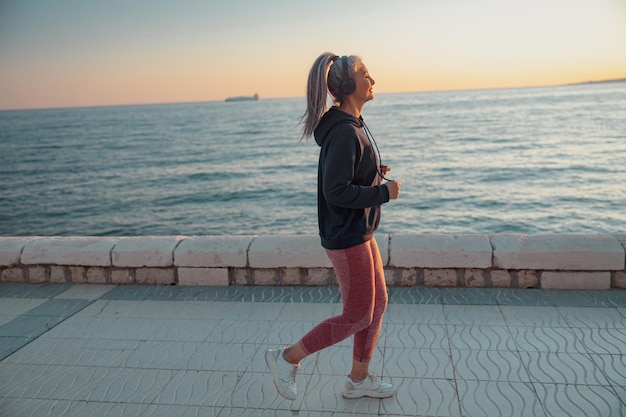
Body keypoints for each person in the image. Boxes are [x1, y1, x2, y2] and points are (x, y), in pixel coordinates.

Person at [265, 52, 401, 400]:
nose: (373, 80)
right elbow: (336, 191)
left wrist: (372, 176)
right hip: (346, 236)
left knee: (378, 304)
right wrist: (382, 193)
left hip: (359, 230)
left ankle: (358, 380)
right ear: (348, 85)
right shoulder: (343, 132)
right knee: (357, 315)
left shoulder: (351, 124)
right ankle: (286, 358)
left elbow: (345, 177)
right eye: (366, 74)